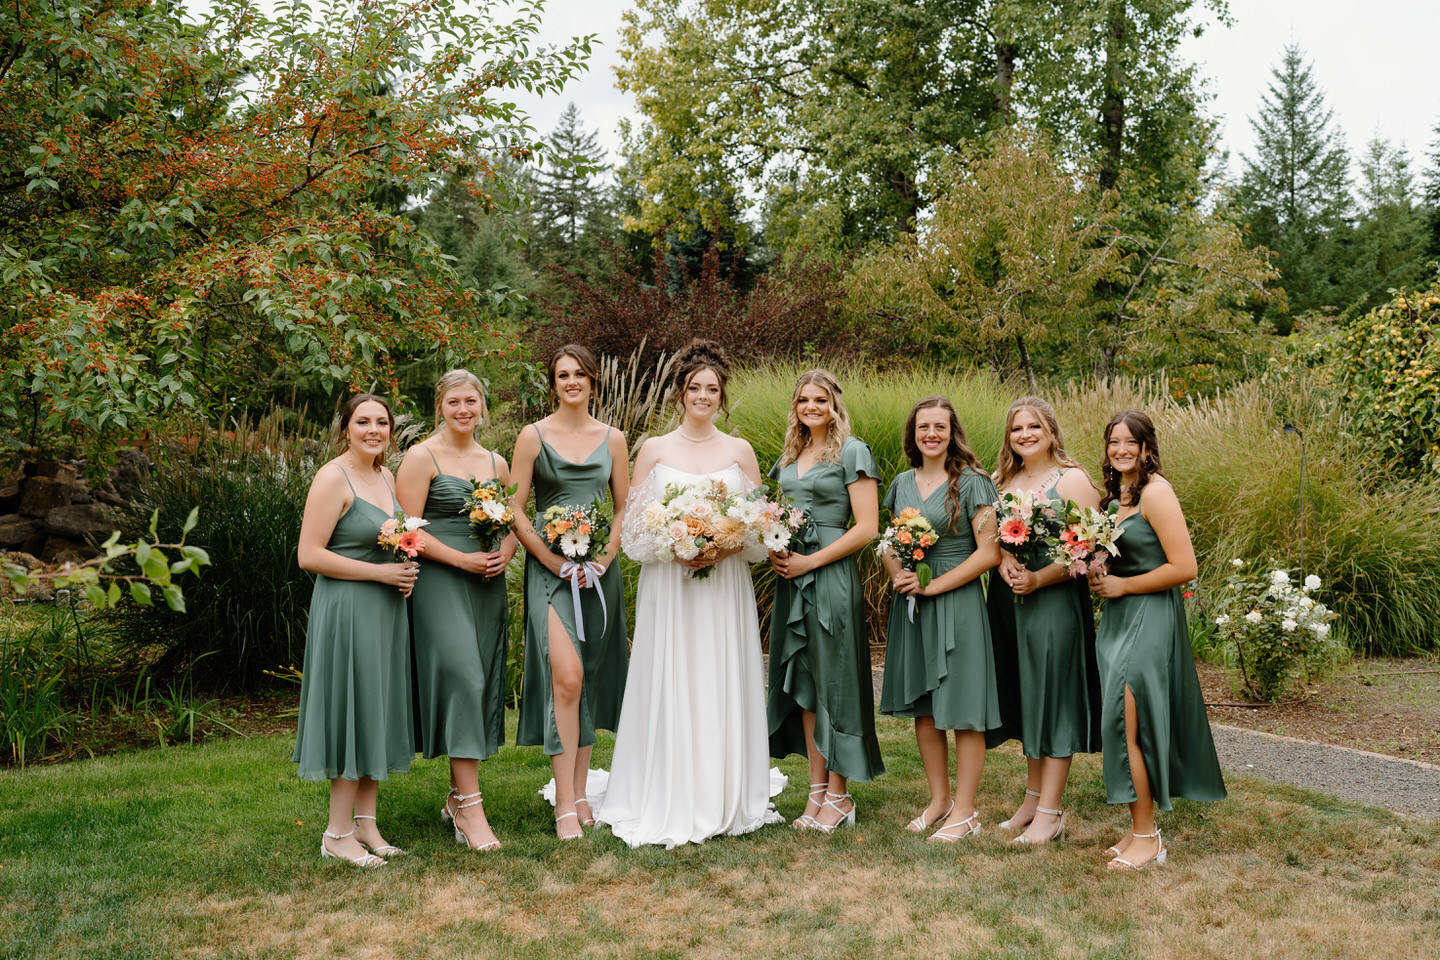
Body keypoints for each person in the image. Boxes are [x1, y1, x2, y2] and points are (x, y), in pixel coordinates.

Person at [599, 340, 784, 847]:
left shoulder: (739, 450)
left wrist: (721, 547)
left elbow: (760, 527)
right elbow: (634, 527)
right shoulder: (653, 448)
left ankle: (724, 789)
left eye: (713, 389)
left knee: (717, 671)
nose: (703, 395)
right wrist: (673, 545)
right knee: (673, 671)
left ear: (722, 397)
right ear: (680, 393)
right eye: (694, 387)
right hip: (671, 584)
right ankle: (664, 785)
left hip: (723, 584)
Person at [1089, 409, 1226, 869]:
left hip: (1148, 618)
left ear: (1147, 447)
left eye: (1130, 441)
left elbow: (1184, 567)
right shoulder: (1116, 502)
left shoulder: (1156, 493)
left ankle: (1149, 840)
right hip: (1118, 618)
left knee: (1129, 726)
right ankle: (1138, 830)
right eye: (1113, 442)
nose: (1121, 449)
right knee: (1120, 726)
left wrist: (1124, 585)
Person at [510, 345, 630, 840]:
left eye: (580, 373)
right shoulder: (532, 436)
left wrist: (603, 559)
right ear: (553, 383)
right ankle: (563, 801)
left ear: (593, 381)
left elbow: (623, 507)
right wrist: (551, 559)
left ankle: (581, 793)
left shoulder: (615, 438)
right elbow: (515, 508)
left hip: (600, 574)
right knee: (566, 675)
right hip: (550, 571)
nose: (572, 381)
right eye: (563, 374)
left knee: (588, 680)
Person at [293, 394, 418, 867]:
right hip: (346, 609)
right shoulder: (333, 477)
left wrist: (403, 568)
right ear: (345, 428)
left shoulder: (386, 476)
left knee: (375, 707)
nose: (373, 429)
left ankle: (366, 822)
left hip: (385, 611)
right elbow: (309, 555)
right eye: (362, 421)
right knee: (351, 708)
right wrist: (381, 574)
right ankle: (336, 832)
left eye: (381, 422)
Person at [396, 370, 515, 852]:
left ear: (482, 406)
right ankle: (471, 809)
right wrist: (460, 558)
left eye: (471, 401)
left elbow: (510, 520)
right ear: (439, 407)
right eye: (454, 402)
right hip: (440, 581)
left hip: (487, 583)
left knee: (479, 682)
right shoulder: (420, 457)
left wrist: (505, 552)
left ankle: (455, 796)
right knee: (463, 677)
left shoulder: (496, 461)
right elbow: (406, 531)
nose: (463, 410)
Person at [879, 396, 1002, 842]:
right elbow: (891, 542)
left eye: (940, 427)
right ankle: (939, 801)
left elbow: (989, 553)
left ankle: (966, 812)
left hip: (957, 600)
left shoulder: (973, 483)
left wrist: (934, 585)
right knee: (926, 707)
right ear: (913, 434)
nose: (931, 434)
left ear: (953, 433)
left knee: (965, 708)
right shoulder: (900, 483)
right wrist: (900, 576)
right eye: (923, 427)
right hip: (914, 602)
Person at [767, 369, 884, 831]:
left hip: (828, 576)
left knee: (835, 683)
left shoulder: (852, 452)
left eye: (820, 400)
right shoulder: (791, 454)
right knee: (811, 686)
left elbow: (867, 528)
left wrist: (809, 564)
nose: (811, 407)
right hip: (791, 577)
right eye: (803, 400)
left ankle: (840, 796)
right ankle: (817, 793)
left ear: (835, 403)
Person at [993, 397, 1104, 845]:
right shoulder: (1005, 480)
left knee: (1054, 700)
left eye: (1034, 426)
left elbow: (1090, 545)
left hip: (1055, 601)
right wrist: (1004, 561)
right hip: (1012, 601)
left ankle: (1051, 813)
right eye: (1017, 428)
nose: (1025, 435)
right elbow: (993, 535)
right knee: (1029, 698)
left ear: (1051, 430)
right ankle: (1032, 798)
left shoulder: (1072, 479)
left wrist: (1039, 577)